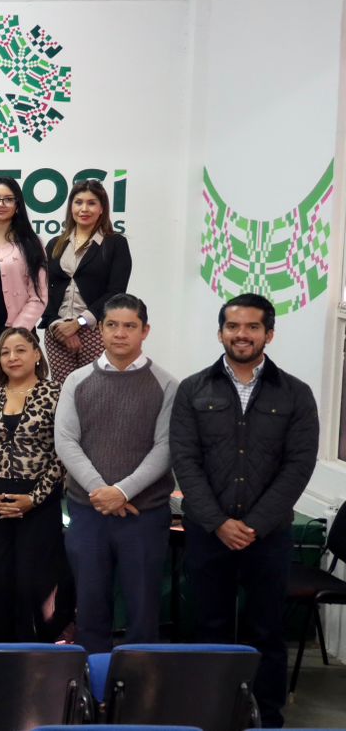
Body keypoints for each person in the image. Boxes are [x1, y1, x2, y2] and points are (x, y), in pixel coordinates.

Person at [171, 293, 318, 728]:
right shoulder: (192, 390)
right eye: (233, 326)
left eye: (253, 327)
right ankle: (211, 715)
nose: (242, 334)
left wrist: (253, 524)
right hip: (207, 533)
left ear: (268, 334)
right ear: (220, 333)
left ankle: (267, 719)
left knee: (267, 632)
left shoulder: (296, 393)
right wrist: (219, 523)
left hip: (267, 537)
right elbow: (185, 461)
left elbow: (299, 465)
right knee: (209, 629)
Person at [54, 293, 177, 653]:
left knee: (143, 611)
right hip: (88, 512)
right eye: (112, 325)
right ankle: (93, 682)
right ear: (101, 330)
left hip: (144, 516)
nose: (120, 333)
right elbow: (66, 441)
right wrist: (101, 492)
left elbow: (166, 447)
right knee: (90, 610)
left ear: (144, 331)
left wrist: (121, 492)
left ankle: (138, 684)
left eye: (129, 326)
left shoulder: (167, 384)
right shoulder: (76, 380)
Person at [0, 327, 67, 642]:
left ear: (36, 354)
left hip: (39, 504)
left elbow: (62, 453)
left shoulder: (56, 393)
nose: (12, 357)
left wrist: (33, 498)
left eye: (20, 350)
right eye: (5, 352)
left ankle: (34, 658)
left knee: (33, 584)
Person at [42, 180, 132, 385]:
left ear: (102, 209)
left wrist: (79, 323)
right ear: (71, 207)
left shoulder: (115, 243)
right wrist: (57, 325)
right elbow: (43, 290)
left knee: (96, 390)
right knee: (64, 392)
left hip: (95, 331)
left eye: (91, 203)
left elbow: (116, 292)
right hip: (57, 333)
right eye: (78, 202)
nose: (84, 209)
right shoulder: (55, 244)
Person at [0, 178, 48, 386]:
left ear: (17, 206)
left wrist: (13, 337)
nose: (0, 204)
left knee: (20, 397)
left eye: (8, 199)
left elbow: (38, 296)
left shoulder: (31, 243)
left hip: (20, 334)